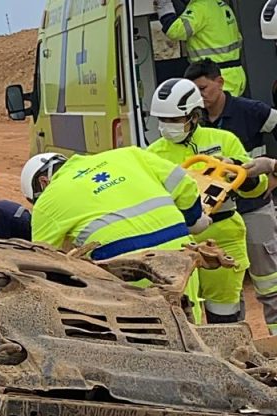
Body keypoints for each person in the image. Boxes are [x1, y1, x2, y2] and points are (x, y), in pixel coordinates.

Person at [22, 147, 208, 322]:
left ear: (43, 183)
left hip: (125, 266)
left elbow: (42, 263)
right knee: (190, 323)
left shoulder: (48, 200)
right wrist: (191, 219)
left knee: (147, 332)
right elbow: (184, 183)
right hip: (180, 251)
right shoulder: (130, 154)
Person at [147, 78, 270, 324]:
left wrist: (240, 175)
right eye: (162, 120)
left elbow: (256, 189)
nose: (166, 126)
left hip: (223, 234)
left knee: (224, 315)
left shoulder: (224, 140)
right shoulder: (152, 154)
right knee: (182, 314)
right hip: (180, 240)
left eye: (174, 120)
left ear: (194, 115)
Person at [186, 59, 277, 333]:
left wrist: (273, 171)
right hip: (220, 215)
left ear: (220, 82)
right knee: (230, 284)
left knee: (268, 280)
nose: (200, 96)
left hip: (254, 205)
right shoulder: (196, 126)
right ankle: (241, 339)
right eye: (194, 92)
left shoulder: (252, 111)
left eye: (203, 88)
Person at [156, 0, 247, 96]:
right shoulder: (221, 5)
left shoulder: (200, 7)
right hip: (234, 76)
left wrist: (164, 4)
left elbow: (174, 30)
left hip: (215, 79)